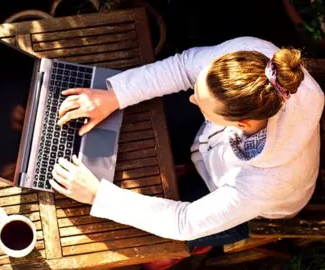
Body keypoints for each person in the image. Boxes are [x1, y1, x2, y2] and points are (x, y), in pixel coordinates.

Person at [49, 36, 324, 258]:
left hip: (251, 205)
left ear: (241, 123)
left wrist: (99, 196)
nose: (192, 99)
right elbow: (182, 67)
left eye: (202, 105)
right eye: (198, 89)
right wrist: (114, 96)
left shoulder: (266, 183)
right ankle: (188, 160)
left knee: (149, 238)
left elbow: (184, 222)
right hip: (215, 146)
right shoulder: (249, 59)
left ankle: (190, 251)